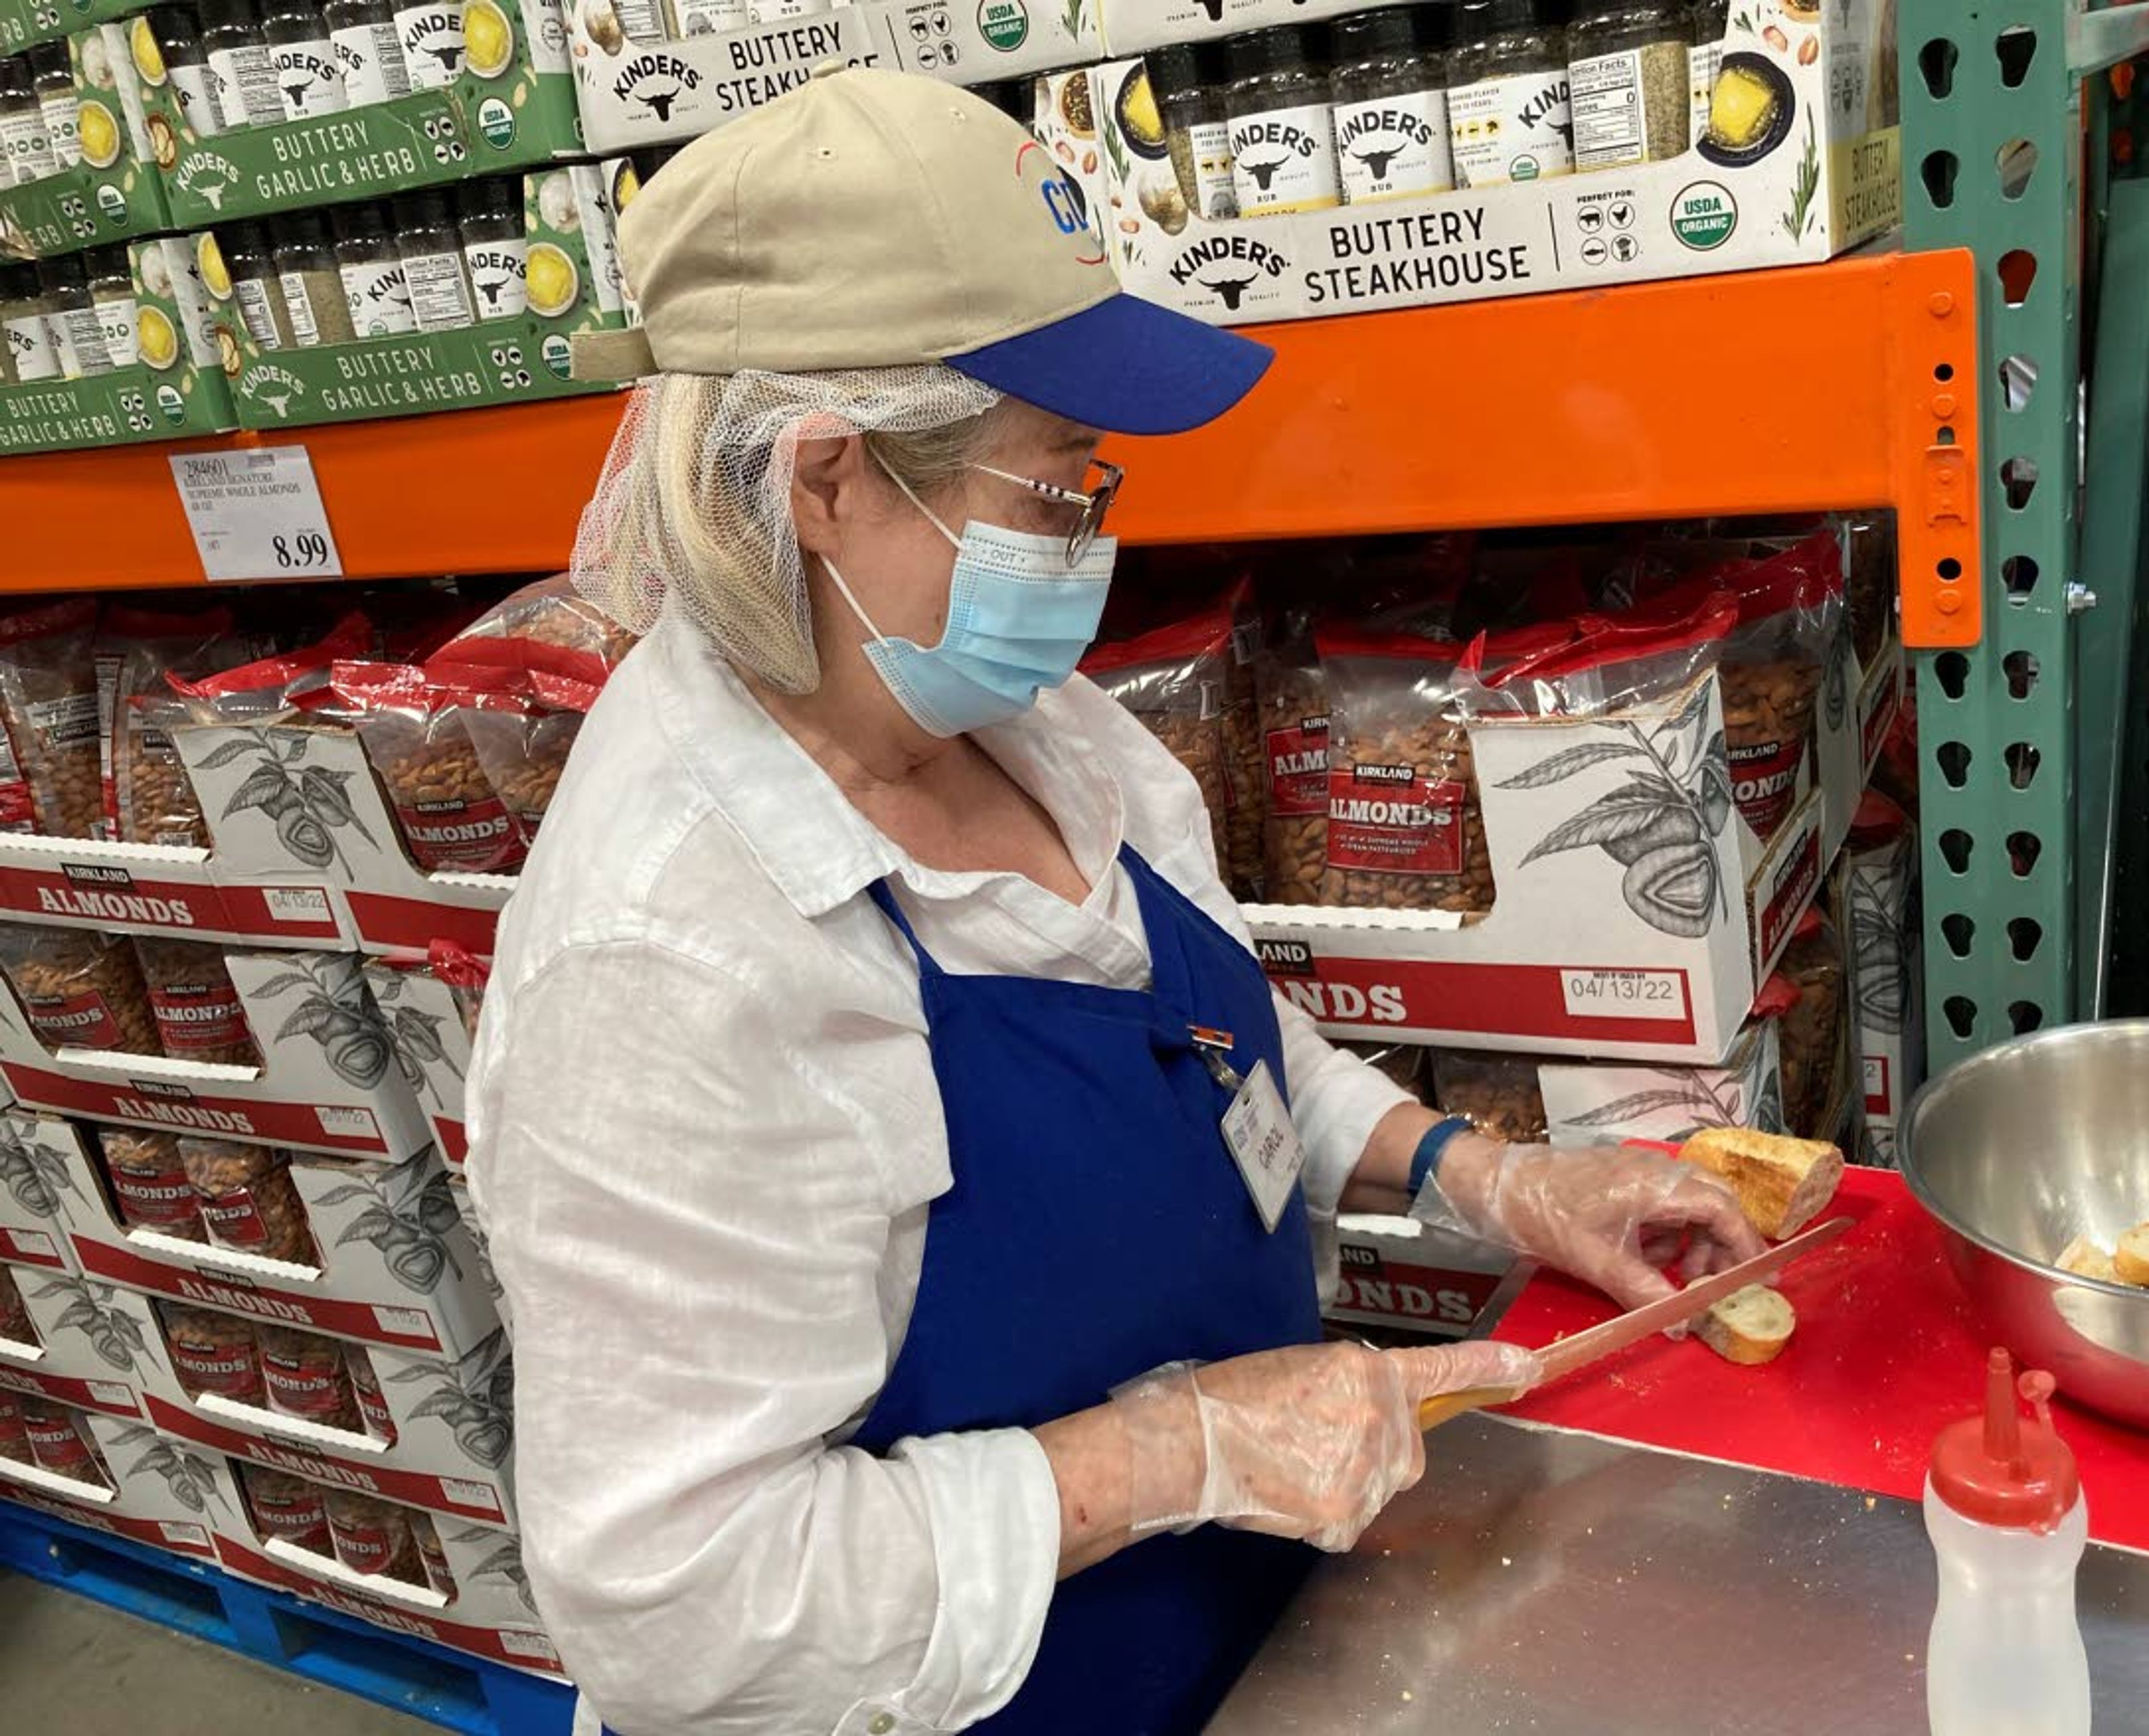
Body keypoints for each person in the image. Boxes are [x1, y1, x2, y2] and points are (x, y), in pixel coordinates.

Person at [466, 64, 1763, 1736]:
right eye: (1060, 481)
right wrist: (1180, 1449)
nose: (1096, 534)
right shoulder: (665, 957)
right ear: (828, 479)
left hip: (1234, 1651)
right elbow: (689, 1607)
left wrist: (1493, 1180)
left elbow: (1208, 1034)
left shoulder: (1016, 717)